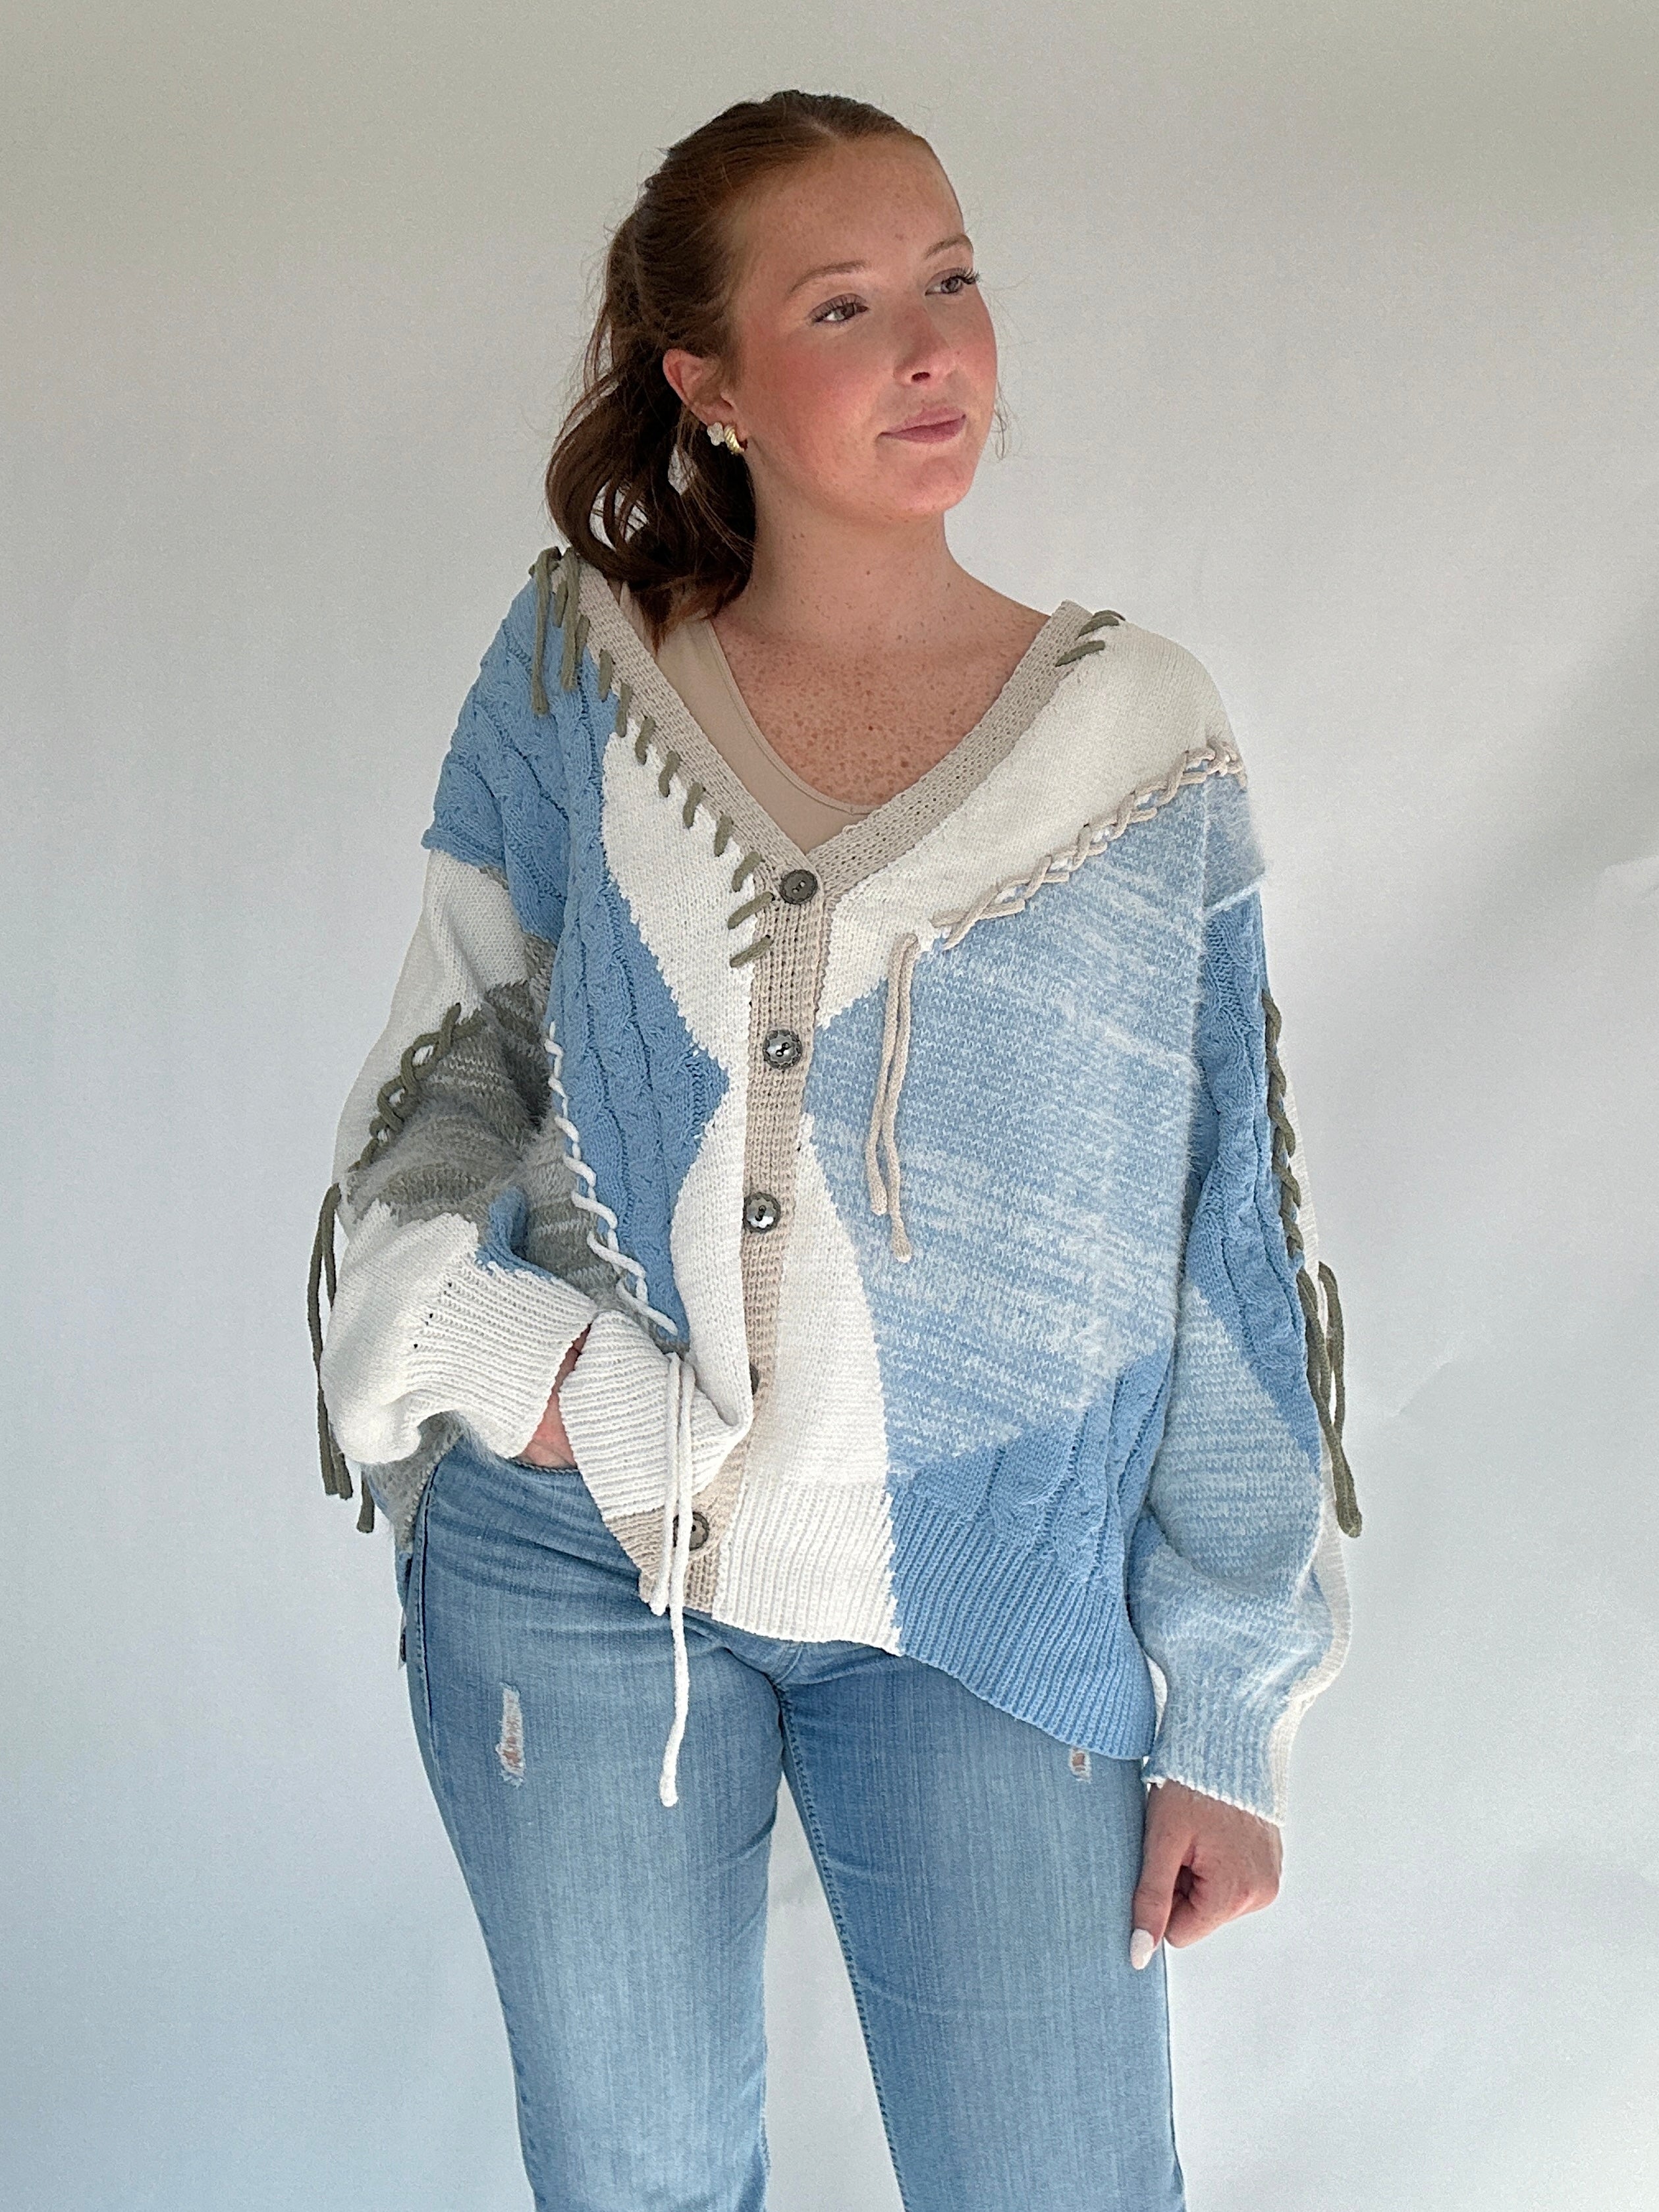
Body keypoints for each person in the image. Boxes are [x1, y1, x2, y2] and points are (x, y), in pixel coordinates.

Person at [308, 88, 1359, 2212]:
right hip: (580, 1559)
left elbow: (1225, 1230)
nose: (932, 347)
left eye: (952, 280)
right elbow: (438, 1085)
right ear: (708, 383)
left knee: (1056, 2180)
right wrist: (529, 1367)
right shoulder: (578, 682)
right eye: (846, 305)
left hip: (998, 1588)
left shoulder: (1137, 740)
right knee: (639, 2181)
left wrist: (1226, 1709)